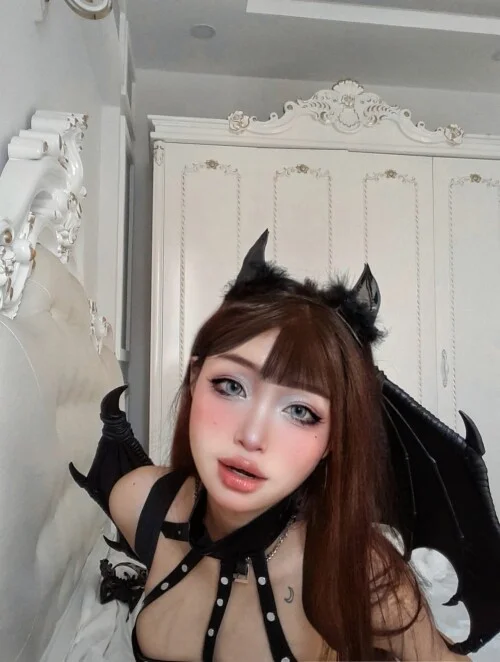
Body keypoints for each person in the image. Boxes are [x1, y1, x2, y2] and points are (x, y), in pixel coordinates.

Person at [72, 230, 495, 661]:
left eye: (301, 411)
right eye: (230, 385)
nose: (252, 436)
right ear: (195, 378)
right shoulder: (137, 501)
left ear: (333, 441)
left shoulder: (363, 576)